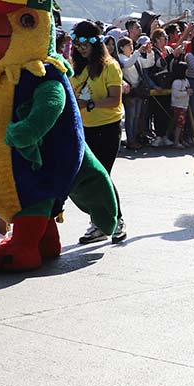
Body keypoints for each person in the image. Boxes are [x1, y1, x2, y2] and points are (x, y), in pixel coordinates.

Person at [69, 20, 128, 245]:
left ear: (95, 43)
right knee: (86, 178)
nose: (81, 48)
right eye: (77, 44)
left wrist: (90, 103)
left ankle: (117, 221)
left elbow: (115, 99)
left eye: (85, 44)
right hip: (83, 130)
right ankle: (99, 223)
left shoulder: (110, 66)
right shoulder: (76, 68)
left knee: (103, 176)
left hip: (107, 128)